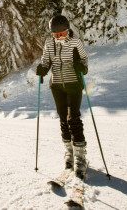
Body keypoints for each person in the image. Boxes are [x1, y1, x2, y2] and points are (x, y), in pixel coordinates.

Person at [36, 15, 89, 179]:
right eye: (55, 35)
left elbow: (84, 60)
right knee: (62, 119)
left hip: (74, 83)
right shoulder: (49, 43)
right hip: (57, 85)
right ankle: (69, 153)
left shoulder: (75, 42)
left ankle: (80, 157)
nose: (58, 37)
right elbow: (46, 61)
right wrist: (43, 69)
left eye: (62, 34)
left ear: (67, 30)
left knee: (73, 118)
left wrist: (82, 67)